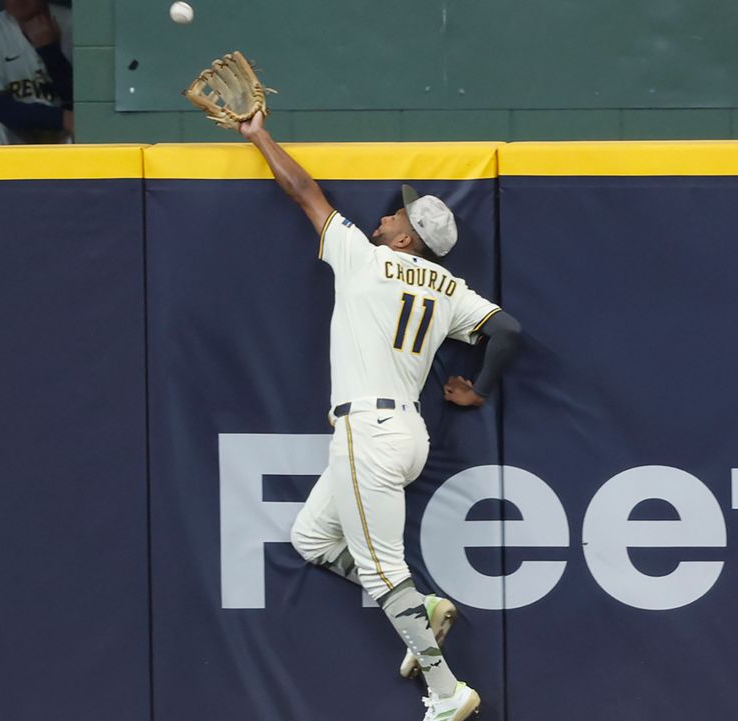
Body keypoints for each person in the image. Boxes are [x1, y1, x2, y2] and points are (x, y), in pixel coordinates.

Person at [237, 111, 521, 721]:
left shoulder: (366, 259)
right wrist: (479, 392)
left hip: (367, 432)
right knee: (311, 537)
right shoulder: (449, 287)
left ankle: (448, 692)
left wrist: (259, 135)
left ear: (404, 240)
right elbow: (506, 332)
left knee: (378, 564)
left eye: (398, 213)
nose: (388, 214)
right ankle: (425, 605)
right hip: (406, 432)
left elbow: (304, 192)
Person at [0, 0, 73, 145]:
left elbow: (83, 100)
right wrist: (60, 118)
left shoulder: (72, 22)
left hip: (66, 135)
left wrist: (50, 51)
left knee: (85, 128)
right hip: (20, 134)